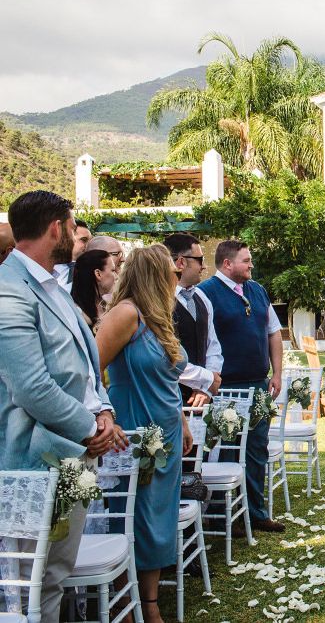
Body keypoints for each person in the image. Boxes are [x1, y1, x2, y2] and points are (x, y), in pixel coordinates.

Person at [0, 191, 122, 622]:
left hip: (73, 456)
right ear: (56, 227)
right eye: (73, 227)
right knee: (27, 583)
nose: (77, 237)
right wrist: (91, 428)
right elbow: (31, 386)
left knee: (54, 574)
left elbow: (88, 367)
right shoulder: (9, 289)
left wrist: (104, 411)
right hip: (35, 461)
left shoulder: (56, 286)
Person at [96, 244, 193, 623]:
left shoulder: (159, 317)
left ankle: (149, 600)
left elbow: (170, 377)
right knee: (133, 514)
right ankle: (128, 600)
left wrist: (182, 418)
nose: (177, 275)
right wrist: (105, 416)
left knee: (157, 516)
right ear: (154, 274)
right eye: (172, 270)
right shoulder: (125, 315)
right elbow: (91, 372)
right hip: (133, 434)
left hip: (165, 432)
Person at [198, 240, 285, 532]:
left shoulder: (257, 290)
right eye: (246, 261)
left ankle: (256, 512)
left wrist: (277, 373)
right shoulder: (205, 293)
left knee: (256, 448)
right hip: (226, 387)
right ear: (227, 264)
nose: (251, 265)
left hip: (259, 384)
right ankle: (224, 514)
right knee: (225, 448)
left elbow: (274, 332)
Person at [163, 234, 223, 407]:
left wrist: (205, 388)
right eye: (200, 259)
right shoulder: (160, 301)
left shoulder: (202, 297)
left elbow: (212, 345)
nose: (204, 266)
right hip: (169, 397)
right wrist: (203, 379)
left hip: (203, 400)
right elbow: (163, 356)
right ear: (181, 262)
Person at [70, 249, 117, 330]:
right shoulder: (75, 314)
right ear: (98, 274)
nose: (116, 276)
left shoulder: (108, 306)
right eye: (113, 270)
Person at [54, 218, 92, 292]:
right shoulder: (48, 267)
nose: (88, 245)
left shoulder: (92, 271)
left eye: (90, 241)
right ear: (69, 238)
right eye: (84, 240)